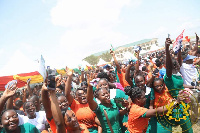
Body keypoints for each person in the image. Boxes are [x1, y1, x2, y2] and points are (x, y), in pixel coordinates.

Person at [164, 37, 193, 133]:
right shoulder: (168, 76)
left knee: (187, 126)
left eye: (176, 64)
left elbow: (182, 85)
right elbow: (168, 65)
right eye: (174, 64)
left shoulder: (177, 73)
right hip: (177, 105)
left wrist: (179, 47)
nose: (177, 65)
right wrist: (167, 48)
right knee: (188, 128)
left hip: (184, 102)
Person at [65, 68, 101, 133]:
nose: (83, 95)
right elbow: (67, 94)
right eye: (79, 94)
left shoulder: (92, 103)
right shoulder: (75, 104)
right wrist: (70, 77)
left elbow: (98, 121)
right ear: (76, 97)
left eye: (84, 93)